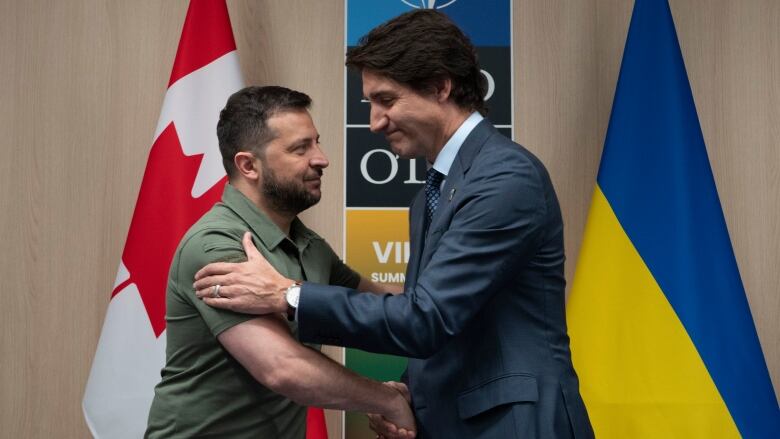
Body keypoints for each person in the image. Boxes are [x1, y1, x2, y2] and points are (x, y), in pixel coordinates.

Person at [194, 10, 594, 439]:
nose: (374, 122)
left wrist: (286, 295)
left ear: (441, 86)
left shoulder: (504, 178)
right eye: (371, 104)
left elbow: (425, 319)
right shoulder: (431, 194)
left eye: (386, 100)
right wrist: (407, 397)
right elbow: (441, 318)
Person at [145, 86, 415, 439]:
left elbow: (382, 304)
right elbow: (282, 367)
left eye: (316, 143)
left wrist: (455, 299)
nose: (321, 159)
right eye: (300, 148)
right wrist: (387, 401)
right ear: (248, 165)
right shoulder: (216, 245)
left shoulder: (309, 246)